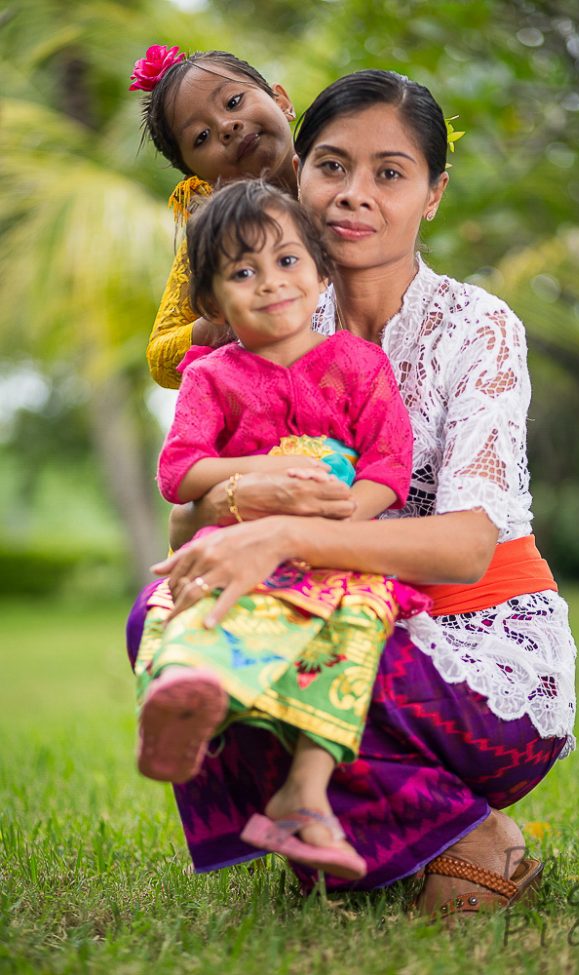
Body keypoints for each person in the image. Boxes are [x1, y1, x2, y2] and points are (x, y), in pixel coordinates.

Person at [127, 69, 577, 920]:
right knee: (161, 620)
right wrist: (237, 507)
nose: (354, 195)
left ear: (433, 195)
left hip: (478, 649)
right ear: (297, 175)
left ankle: (465, 836)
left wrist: (280, 540)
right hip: (334, 610)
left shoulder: (477, 326)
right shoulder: (276, 314)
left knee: (277, 650)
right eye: (332, 166)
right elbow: (194, 509)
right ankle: (388, 829)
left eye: (390, 173)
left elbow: (466, 545)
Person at [136, 178, 428, 880]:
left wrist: (341, 513)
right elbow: (180, 472)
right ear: (210, 302)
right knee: (192, 597)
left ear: (322, 270)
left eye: (287, 261)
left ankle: (305, 792)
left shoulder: (359, 364)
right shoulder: (212, 376)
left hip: (332, 550)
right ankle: (182, 692)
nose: (271, 284)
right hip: (237, 538)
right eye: (243, 272)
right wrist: (257, 473)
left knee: (364, 613)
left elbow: (389, 465)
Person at [130, 45, 298, 387]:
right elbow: (160, 357)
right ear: (200, 179)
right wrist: (223, 323)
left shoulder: (343, 171)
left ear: (281, 101)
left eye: (234, 102)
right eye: (201, 137)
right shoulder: (219, 239)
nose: (227, 126)